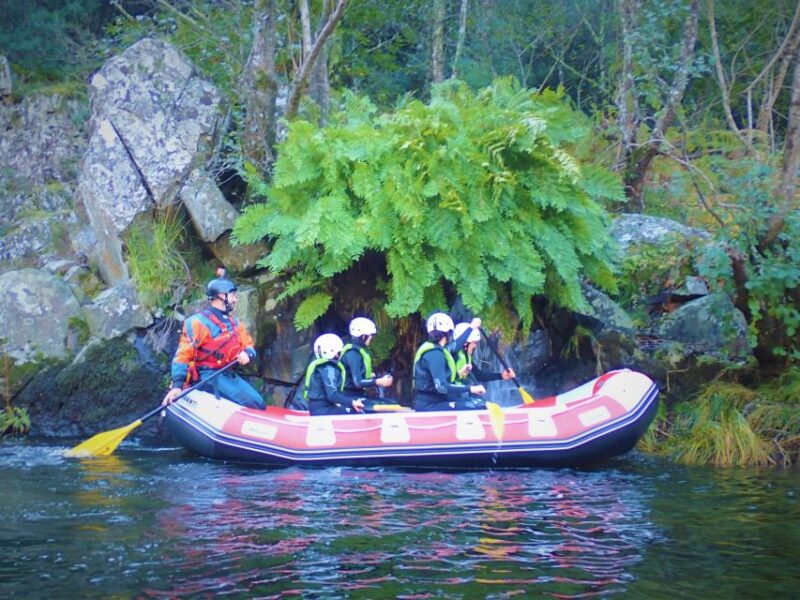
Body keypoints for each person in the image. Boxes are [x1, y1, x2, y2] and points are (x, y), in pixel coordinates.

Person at [162, 269, 265, 410]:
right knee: (252, 405)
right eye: (233, 295)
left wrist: (247, 353)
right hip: (207, 375)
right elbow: (183, 355)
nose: (235, 299)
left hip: (227, 374)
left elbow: (248, 344)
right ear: (221, 296)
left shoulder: (234, 323)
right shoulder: (198, 323)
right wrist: (177, 385)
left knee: (259, 403)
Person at [412, 312, 487, 411]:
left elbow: (456, 345)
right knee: (479, 406)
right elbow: (441, 387)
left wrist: (458, 373)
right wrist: (471, 389)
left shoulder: (435, 349)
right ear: (448, 333)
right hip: (430, 405)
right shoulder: (435, 354)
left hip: (434, 401)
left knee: (476, 402)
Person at [305, 333, 365, 415]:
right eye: (339, 352)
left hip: (320, 407)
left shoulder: (324, 367)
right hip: (323, 410)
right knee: (358, 413)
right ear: (334, 352)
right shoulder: (329, 369)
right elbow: (332, 395)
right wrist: (352, 402)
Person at [341, 317, 393, 399]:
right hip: (350, 396)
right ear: (363, 336)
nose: (371, 338)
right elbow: (358, 382)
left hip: (357, 394)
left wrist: (369, 376)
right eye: (370, 335)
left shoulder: (359, 350)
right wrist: (379, 381)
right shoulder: (353, 353)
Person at [452, 322, 516, 387]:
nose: (475, 346)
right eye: (474, 343)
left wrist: (501, 376)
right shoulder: (452, 355)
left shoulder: (466, 357)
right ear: (465, 343)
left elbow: (479, 376)